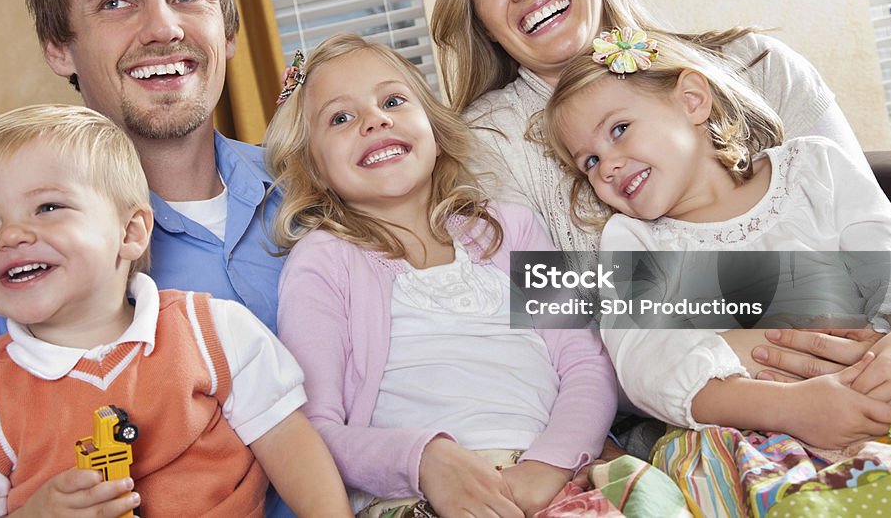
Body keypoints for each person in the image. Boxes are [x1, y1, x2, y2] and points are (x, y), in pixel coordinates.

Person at [0, 0, 294, 517]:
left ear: (228, 30)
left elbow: (507, 276)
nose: (163, 28)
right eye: (117, 3)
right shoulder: (9, 264)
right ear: (60, 48)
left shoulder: (329, 187)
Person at [430, 0, 879, 388]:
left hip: (869, 364)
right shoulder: (486, 143)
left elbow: (874, 251)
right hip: (683, 413)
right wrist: (775, 334)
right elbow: (561, 333)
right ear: (479, 21)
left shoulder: (759, 65)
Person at [0, 105, 351, 518]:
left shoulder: (212, 330)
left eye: (48, 207)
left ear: (131, 232)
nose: (12, 235)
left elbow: (290, 443)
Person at [538, 41, 891, 515]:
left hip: (887, 388)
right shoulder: (634, 239)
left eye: (619, 130)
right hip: (750, 438)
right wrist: (790, 406)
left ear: (692, 100)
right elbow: (645, 365)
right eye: (589, 162)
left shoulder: (814, 168)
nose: (608, 166)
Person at [263, 34, 636, 518]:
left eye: (393, 101)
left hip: (553, 476)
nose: (375, 120)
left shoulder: (513, 227)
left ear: (435, 132)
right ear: (314, 167)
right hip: (417, 495)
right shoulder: (322, 262)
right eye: (340, 117)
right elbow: (313, 429)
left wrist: (549, 466)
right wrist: (424, 461)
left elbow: (587, 363)